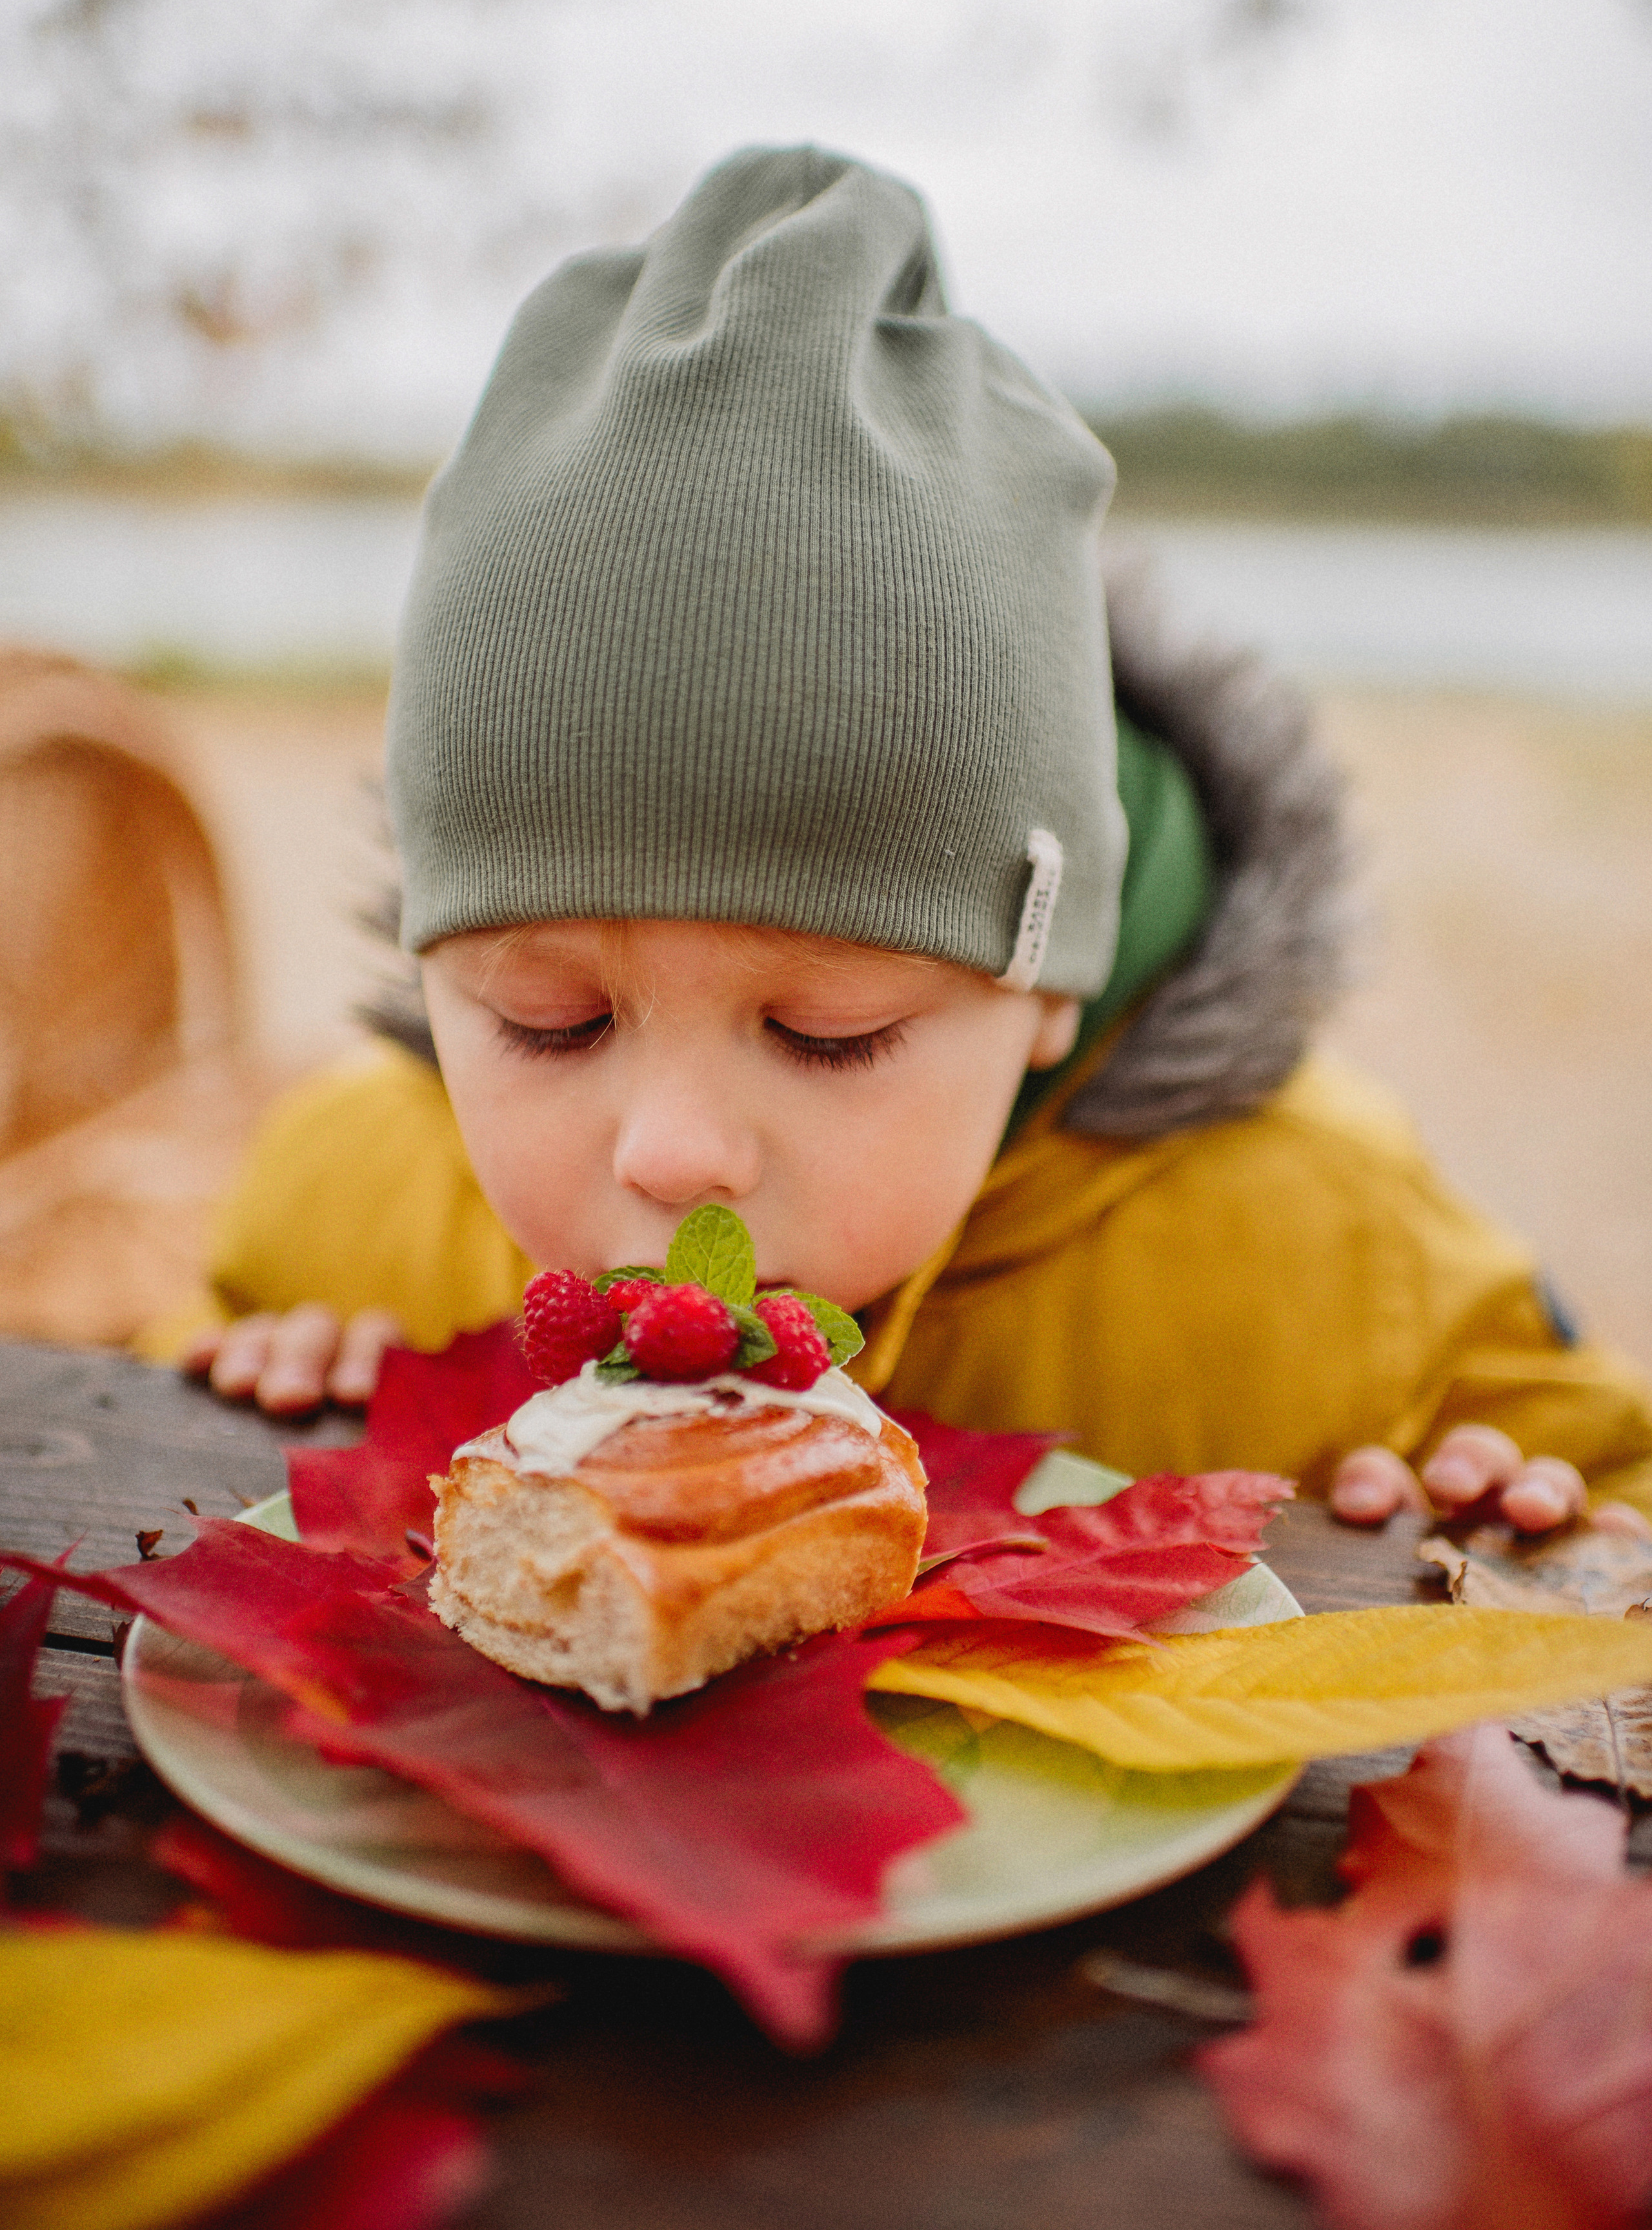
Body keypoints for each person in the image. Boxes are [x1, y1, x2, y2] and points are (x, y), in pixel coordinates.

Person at [157, 145, 1652, 1537]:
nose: (672, 1153)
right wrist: (256, 1363)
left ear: (1044, 978)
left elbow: (1604, 1496)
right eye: (552, 1022)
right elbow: (149, 1371)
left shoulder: (1337, 1251)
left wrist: (1504, 1501)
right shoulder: (354, 1192)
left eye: (827, 1031)